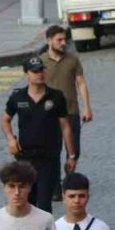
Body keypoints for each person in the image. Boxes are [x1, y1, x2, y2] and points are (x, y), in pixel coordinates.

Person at [1, 56, 74, 212]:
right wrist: (11, 139)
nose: (40, 74)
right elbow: (5, 120)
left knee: (45, 204)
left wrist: (71, 155)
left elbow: (65, 126)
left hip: (49, 158)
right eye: (35, 71)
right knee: (28, 203)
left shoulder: (56, 96)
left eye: (41, 70)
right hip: (25, 158)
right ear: (27, 74)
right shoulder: (18, 97)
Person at [41, 26, 92, 198]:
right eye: (59, 40)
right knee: (53, 152)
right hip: (49, 115)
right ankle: (55, 187)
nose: (64, 43)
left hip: (71, 111)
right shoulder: (41, 62)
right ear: (49, 41)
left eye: (65, 40)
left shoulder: (72, 60)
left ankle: (68, 180)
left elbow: (81, 83)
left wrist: (87, 107)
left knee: (74, 151)